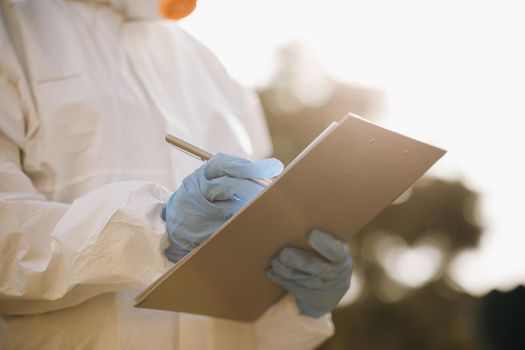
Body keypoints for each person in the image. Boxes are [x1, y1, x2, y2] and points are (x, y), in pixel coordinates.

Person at [0, 0, 352, 349]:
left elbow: (251, 324)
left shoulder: (216, 71)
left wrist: (297, 308)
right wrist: (152, 230)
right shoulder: (14, 28)